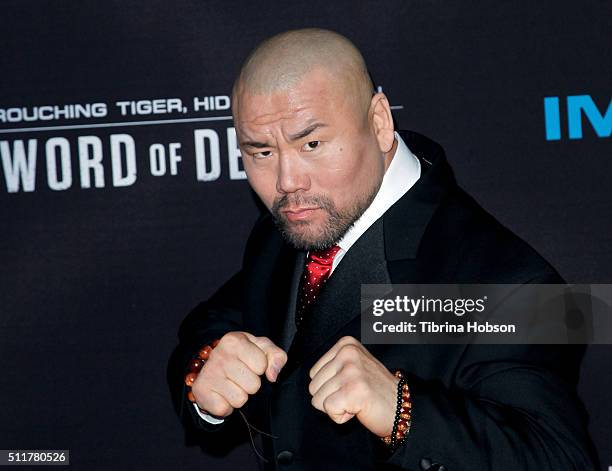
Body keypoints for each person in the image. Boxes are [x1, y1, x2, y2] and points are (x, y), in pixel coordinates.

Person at [172, 28, 598, 470]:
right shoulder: (288, 227)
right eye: (260, 152)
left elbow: (561, 459)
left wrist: (404, 413)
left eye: (312, 144)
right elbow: (211, 326)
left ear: (378, 122)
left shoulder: (515, 283)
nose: (287, 182)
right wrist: (208, 370)